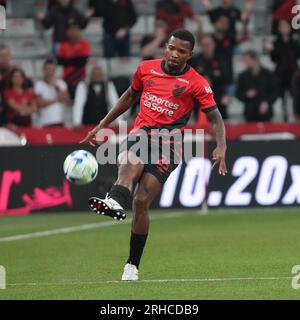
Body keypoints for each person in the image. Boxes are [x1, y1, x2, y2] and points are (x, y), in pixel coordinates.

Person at [80, 29, 227, 281]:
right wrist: (102, 124)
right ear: (166, 47)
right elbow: (128, 97)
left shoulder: (197, 83)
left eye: (181, 51)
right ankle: (115, 200)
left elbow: (215, 117)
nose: (174, 54)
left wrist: (221, 145)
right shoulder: (146, 69)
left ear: (189, 55)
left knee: (140, 202)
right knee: (128, 162)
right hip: (142, 132)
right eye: (171, 48)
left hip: (169, 145)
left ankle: (132, 265)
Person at [265, 19, 300, 121]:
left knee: (296, 96)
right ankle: (282, 118)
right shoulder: (275, 43)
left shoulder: (294, 42)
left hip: (293, 74)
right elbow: (274, 59)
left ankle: (296, 117)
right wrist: (272, 50)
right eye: (282, 26)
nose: (284, 28)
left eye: (286, 26)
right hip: (280, 74)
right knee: (278, 95)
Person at [189, 34, 231, 119]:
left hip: (218, 96)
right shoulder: (195, 61)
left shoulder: (222, 59)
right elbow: (189, 79)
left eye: (209, 44)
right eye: (204, 45)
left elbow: (228, 78)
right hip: (201, 99)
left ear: (214, 44)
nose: (207, 47)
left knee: (220, 125)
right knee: (201, 128)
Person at [236, 50, 279, 122]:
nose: (245, 63)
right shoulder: (242, 76)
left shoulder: (268, 74)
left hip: (266, 113)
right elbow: (238, 94)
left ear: (254, 59)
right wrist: (246, 95)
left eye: (247, 60)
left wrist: (267, 102)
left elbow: (275, 92)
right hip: (250, 114)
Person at [57, 22, 91, 99]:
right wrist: (76, 59)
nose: (73, 32)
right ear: (67, 32)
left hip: (80, 78)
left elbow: (82, 61)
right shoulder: (63, 45)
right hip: (66, 79)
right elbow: (61, 62)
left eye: (75, 29)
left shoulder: (84, 44)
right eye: (71, 30)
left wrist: (68, 60)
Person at [34, 58, 70, 127]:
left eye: (52, 70)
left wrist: (56, 87)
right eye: (48, 69)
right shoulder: (39, 85)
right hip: (45, 122)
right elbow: (40, 103)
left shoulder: (61, 83)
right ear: (44, 70)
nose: (50, 72)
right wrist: (56, 99)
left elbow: (67, 100)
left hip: (60, 121)